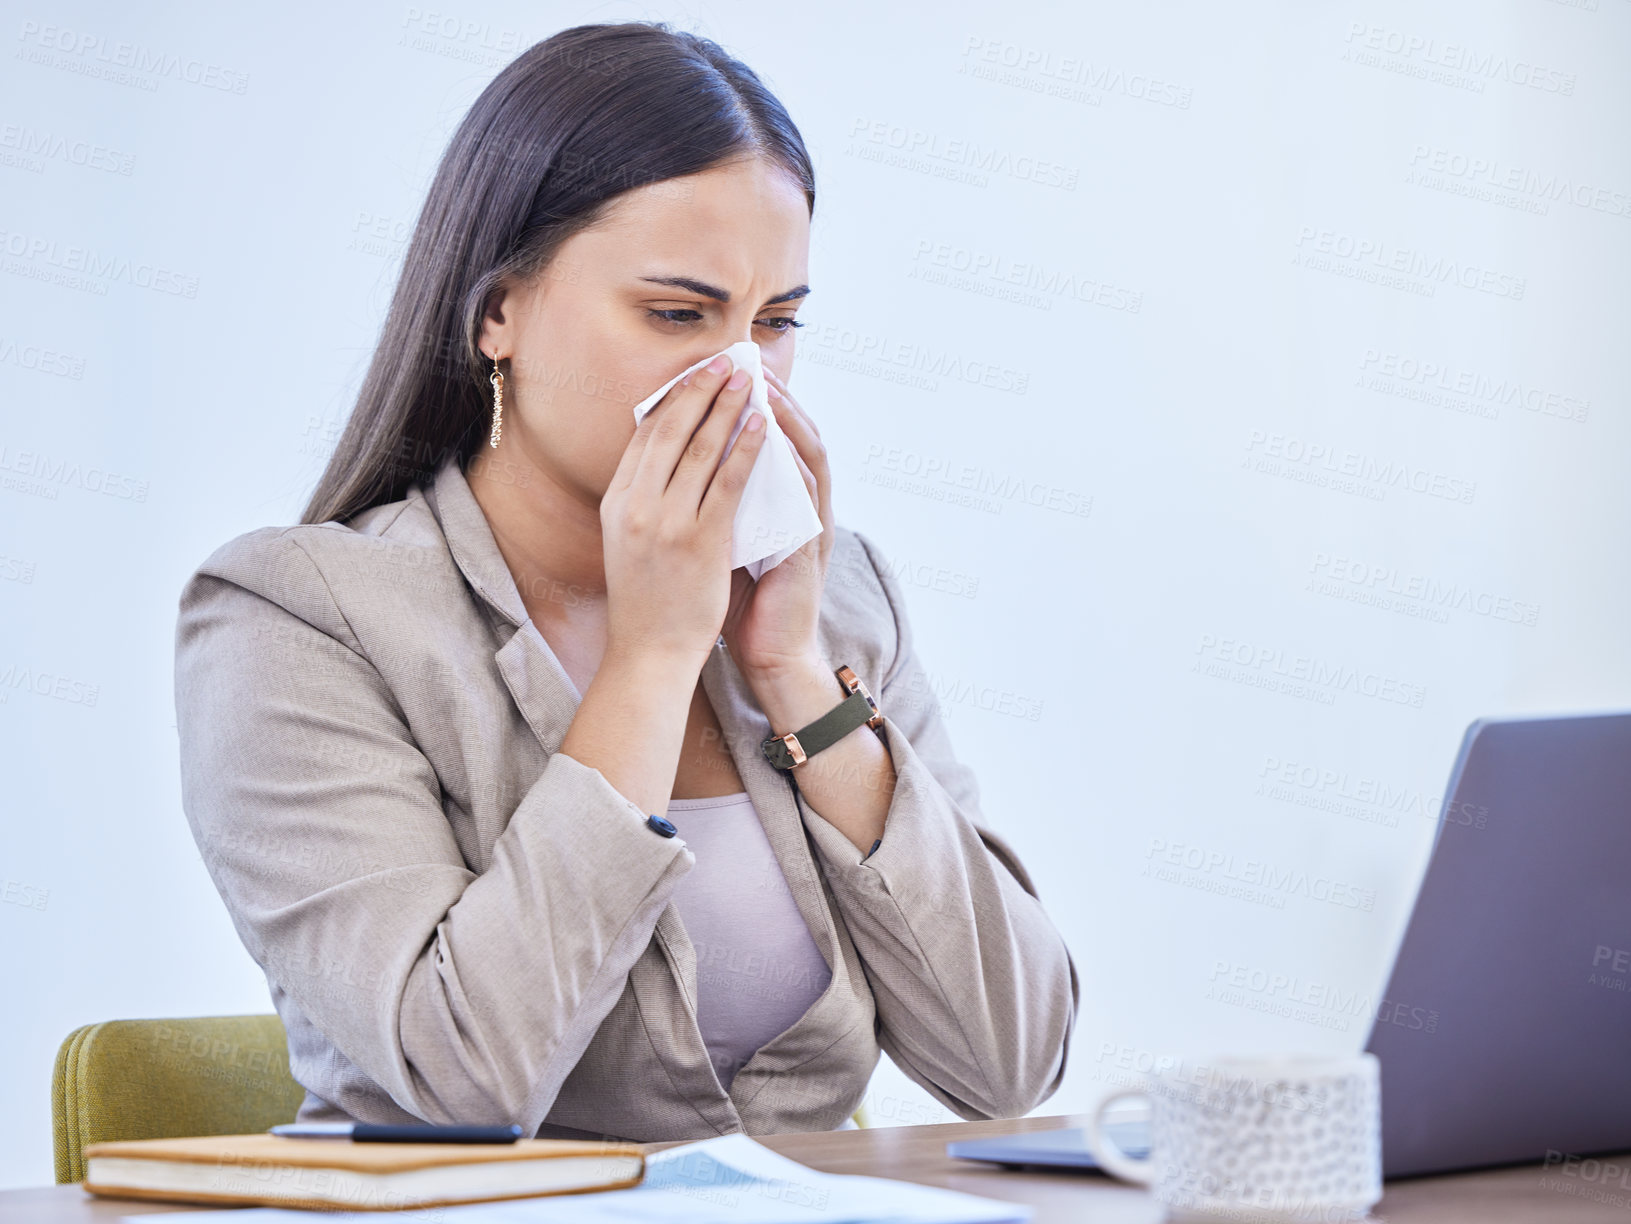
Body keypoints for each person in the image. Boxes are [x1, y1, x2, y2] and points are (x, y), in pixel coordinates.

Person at [174, 19, 1078, 1142]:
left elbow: (1014, 1063)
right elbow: (466, 1077)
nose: (738, 375)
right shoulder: (299, 616)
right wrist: (651, 660)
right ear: (496, 310)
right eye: (676, 315)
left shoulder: (836, 600)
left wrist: (794, 675)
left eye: (776, 323)